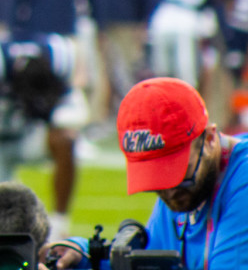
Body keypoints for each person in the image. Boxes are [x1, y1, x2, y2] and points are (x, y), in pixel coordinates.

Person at [43, 78, 248, 269]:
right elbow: (147, 259)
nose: (169, 192)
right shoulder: (186, 190)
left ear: (210, 138)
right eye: (156, 176)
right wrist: (81, 254)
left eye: (173, 171)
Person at [0, 31, 84, 241]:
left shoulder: (54, 60)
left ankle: (60, 225)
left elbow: (70, 107)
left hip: (28, 135)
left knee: (65, 140)